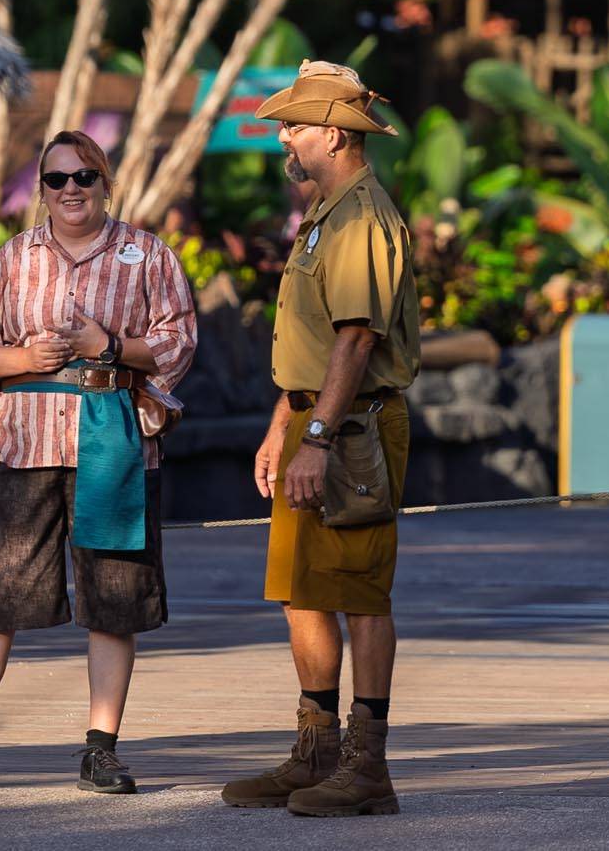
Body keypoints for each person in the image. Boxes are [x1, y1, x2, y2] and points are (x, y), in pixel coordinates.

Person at [0, 131, 199, 796]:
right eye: (57, 179)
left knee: (113, 600)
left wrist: (112, 344)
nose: (71, 190)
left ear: (106, 182)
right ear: (41, 187)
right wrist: (22, 361)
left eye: (85, 177)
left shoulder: (148, 256)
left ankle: (101, 750)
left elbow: (179, 341)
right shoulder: (12, 260)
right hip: (24, 443)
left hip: (115, 446)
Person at [220, 62, 419, 818]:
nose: (286, 141)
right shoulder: (327, 211)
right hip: (317, 418)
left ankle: (368, 770)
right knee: (302, 591)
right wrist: (284, 427)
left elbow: (357, 340)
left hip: (353, 427)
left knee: (359, 594)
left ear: (334, 133)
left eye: (295, 128)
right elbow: (309, 341)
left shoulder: (363, 217)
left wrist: (319, 439)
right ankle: (317, 753)